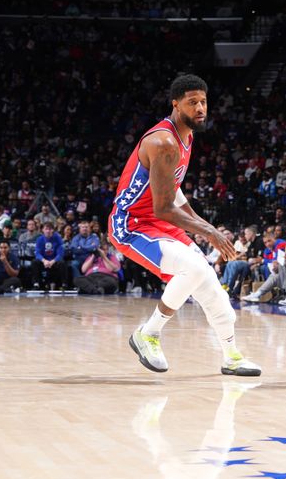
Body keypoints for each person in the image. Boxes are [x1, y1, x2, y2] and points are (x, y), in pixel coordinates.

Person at [108, 74, 259, 376]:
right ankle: (147, 333)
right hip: (132, 223)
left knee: (212, 289)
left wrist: (205, 226)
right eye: (193, 102)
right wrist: (209, 232)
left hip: (157, 219)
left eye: (203, 101)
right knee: (194, 267)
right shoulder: (163, 142)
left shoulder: (186, 136)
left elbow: (173, 190)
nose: (201, 108)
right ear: (176, 105)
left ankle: (231, 354)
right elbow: (163, 207)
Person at [31, 222, 67, 290]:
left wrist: (53, 261)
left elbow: (60, 253)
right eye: (46, 229)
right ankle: (36, 284)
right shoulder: (40, 239)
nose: (48, 231)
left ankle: (63, 284)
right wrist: (44, 261)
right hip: (44, 261)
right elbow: (37, 253)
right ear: (43, 230)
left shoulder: (58, 238)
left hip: (54, 260)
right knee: (34, 262)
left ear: (53, 230)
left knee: (62, 263)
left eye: (50, 229)